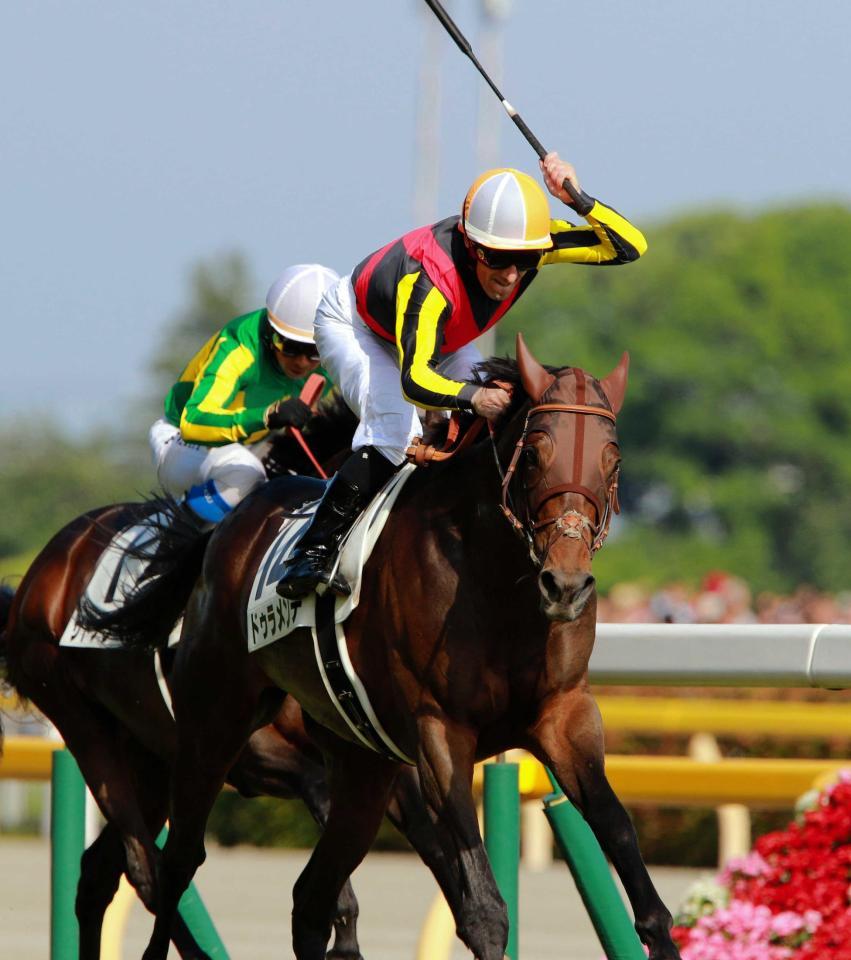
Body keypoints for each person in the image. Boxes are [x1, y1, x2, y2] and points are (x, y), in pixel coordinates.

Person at [276, 153, 646, 599]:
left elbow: (628, 246)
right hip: (360, 328)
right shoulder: (429, 281)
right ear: (472, 246)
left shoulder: (530, 247)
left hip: (443, 338)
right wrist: (473, 398)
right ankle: (313, 551)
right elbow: (415, 380)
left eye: (524, 260)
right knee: (395, 429)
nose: (510, 275)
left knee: (503, 406)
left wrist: (576, 197)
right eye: (497, 259)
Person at [149, 263, 338, 524]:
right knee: (247, 475)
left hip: (251, 446)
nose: (303, 362)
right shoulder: (239, 347)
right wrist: (266, 417)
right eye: (291, 347)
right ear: (271, 332)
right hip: (182, 442)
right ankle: (173, 540)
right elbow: (193, 423)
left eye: (314, 350)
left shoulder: (330, 361)